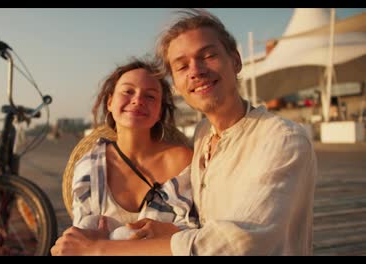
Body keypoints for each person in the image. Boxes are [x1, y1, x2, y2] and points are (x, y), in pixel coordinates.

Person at [51, 9, 317, 256]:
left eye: (208, 56)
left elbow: (240, 242)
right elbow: (205, 224)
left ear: (235, 61)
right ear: (176, 84)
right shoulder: (204, 135)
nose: (196, 71)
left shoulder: (281, 139)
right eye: (181, 66)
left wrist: (100, 249)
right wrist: (172, 231)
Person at [54, 57, 198, 250]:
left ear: (159, 111)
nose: (138, 100)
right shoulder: (90, 166)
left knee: (123, 235)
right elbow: (81, 233)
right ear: (110, 102)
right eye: (128, 91)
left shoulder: (182, 160)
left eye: (150, 96)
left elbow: (196, 233)